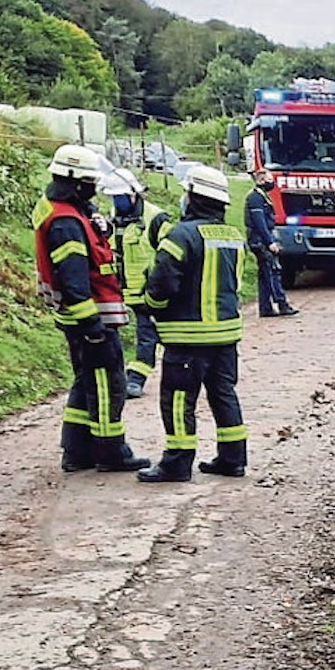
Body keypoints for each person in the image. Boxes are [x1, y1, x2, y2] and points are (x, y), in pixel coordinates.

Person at [33, 144, 148, 474]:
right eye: (88, 183)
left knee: (86, 383)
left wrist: (99, 226)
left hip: (85, 315)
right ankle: (111, 451)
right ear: (72, 181)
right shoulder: (66, 223)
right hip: (89, 318)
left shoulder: (67, 211)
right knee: (107, 385)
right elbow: (73, 279)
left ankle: (76, 451)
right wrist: (92, 326)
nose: (93, 188)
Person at [138, 165, 248, 483]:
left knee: (177, 399)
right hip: (226, 335)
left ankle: (176, 463)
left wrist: (152, 308)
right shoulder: (233, 236)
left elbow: (162, 285)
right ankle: (233, 458)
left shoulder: (180, 235)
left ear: (193, 198)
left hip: (187, 337)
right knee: (223, 394)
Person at [112, 174, 169, 399]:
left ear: (133, 194)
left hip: (154, 292)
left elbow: (171, 257)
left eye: (120, 196)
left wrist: (158, 285)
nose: (117, 201)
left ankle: (135, 379)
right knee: (153, 335)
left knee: (150, 335)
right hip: (130, 294)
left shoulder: (155, 219)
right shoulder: (116, 219)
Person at [244, 168, 298, 318]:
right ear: (261, 180)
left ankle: (265, 308)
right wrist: (269, 242)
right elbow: (259, 222)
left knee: (264, 274)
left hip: (260, 239)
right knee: (272, 271)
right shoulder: (255, 198)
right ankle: (282, 304)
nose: (271, 182)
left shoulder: (261, 196)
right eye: (269, 179)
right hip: (260, 240)